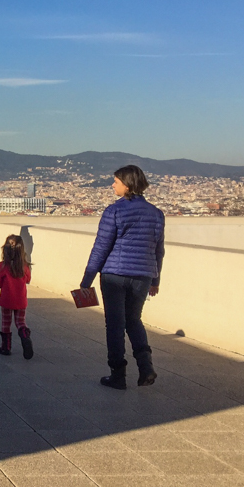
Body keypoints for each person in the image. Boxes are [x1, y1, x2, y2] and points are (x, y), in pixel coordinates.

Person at [80, 165, 164, 390]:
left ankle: (118, 375)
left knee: (115, 325)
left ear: (127, 185)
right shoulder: (156, 213)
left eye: (115, 182)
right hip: (143, 275)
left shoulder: (114, 211)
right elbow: (159, 250)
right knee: (134, 319)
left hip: (114, 275)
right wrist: (155, 279)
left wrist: (86, 280)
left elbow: (101, 247)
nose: (112, 185)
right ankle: (146, 367)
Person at [0, 234, 34, 359]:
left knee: (6, 323)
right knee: (20, 322)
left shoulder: (2, 266)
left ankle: (6, 347)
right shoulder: (24, 266)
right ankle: (24, 335)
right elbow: (28, 280)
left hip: (6, 299)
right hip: (21, 299)